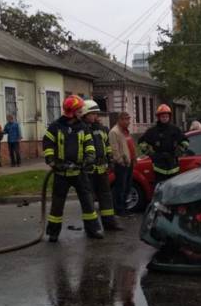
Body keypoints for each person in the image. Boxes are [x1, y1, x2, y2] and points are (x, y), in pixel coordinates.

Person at [42, 95, 103, 242]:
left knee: (87, 201)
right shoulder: (55, 127)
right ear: (73, 111)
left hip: (79, 171)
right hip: (61, 172)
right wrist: (52, 161)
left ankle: (93, 229)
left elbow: (89, 146)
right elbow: (48, 145)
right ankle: (53, 232)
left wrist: (89, 159)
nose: (81, 112)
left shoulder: (83, 127)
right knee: (57, 204)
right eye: (79, 110)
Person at [79, 100, 121, 232]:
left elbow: (107, 146)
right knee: (89, 200)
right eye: (93, 114)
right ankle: (91, 227)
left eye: (97, 114)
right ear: (85, 114)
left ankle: (109, 223)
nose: (96, 116)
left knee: (106, 196)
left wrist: (111, 160)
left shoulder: (102, 129)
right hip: (88, 170)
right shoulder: (80, 129)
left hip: (102, 169)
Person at [138, 104, 188, 183]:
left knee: (173, 189)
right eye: (163, 116)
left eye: (166, 116)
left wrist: (179, 150)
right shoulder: (152, 131)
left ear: (169, 117)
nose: (165, 118)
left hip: (173, 165)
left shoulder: (175, 129)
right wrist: (150, 153)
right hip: (159, 167)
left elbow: (185, 141)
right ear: (159, 117)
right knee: (160, 189)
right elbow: (141, 142)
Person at [109, 111, 135, 216]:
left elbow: (130, 146)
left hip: (129, 163)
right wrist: (120, 161)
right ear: (119, 120)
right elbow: (114, 150)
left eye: (128, 119)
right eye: (125, 119)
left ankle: (125, 208)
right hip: (121, 165)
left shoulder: (126, 131)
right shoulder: (114, 132)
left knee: (127, 187)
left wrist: (134, 158)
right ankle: (119, 209)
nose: (127, 121)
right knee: (120, 188)